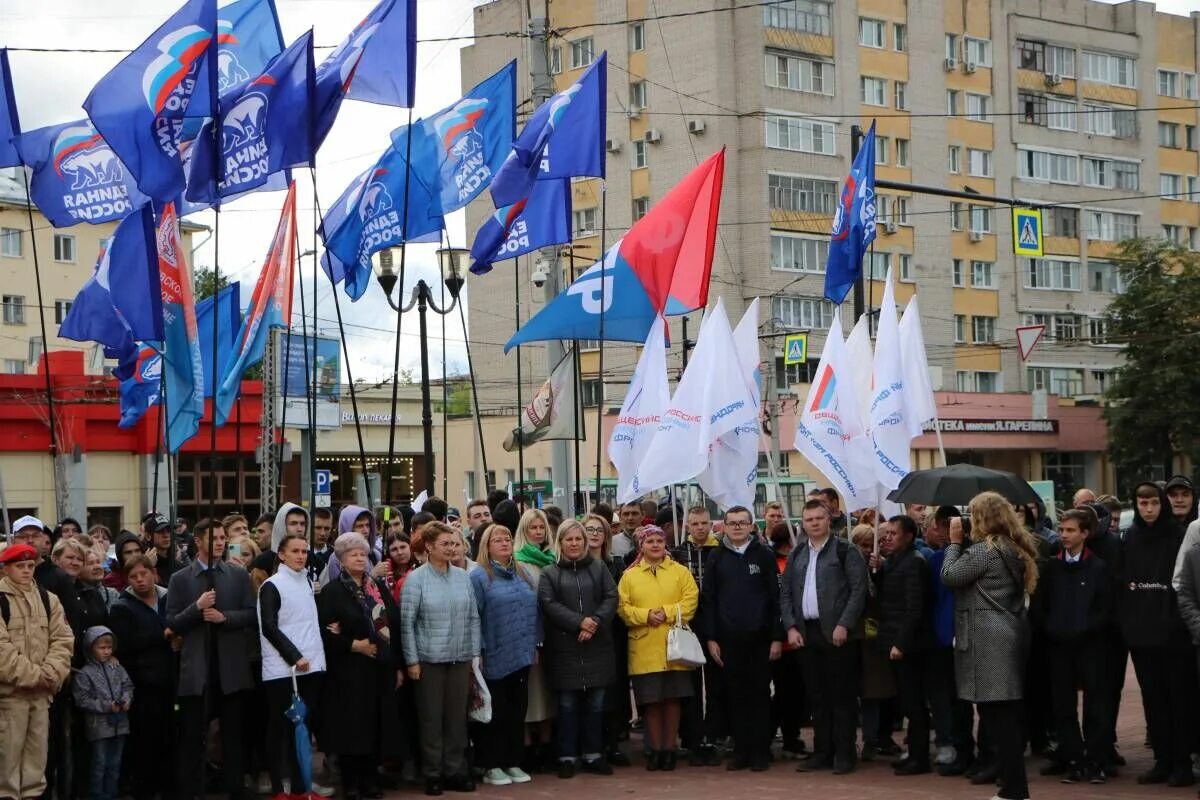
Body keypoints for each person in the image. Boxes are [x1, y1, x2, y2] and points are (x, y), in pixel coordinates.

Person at [941, 492, 1040, 800]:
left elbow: (950, 575)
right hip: (1007, 633)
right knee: (1003, 717)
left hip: (989, 639)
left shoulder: (987, 550)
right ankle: (1012, 786)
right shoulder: (1012, 546)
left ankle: (1013, 790)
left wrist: (954, 542)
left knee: (1000, 720)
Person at [166, 519, 257, 800]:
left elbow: (252, 615)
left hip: (230, 667)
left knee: (233, 735)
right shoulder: (181, 579)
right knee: (192, 736)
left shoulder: (238, 575)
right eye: (213, 538)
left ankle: (235, 788)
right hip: (197, 669)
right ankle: (191, 790)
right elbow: (171, 622)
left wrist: (224, 618)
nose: (219, 543)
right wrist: (197, 608)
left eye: (222, 538)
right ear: (198, 541)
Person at [781, 500, 868, 774]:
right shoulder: (797, 555)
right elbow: (785, 594)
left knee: (842, 696)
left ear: (829, 520)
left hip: (838, 633)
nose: (814, 523)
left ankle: (844, 753)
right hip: (807, 633)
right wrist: (791, 627)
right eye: (809, 519)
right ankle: (822, 751)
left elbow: (858, 591)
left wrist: (845, 624)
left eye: (819, 518)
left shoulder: (846, 550)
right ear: (803, 523)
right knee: (817, 697)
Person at [318, 531, 404, 799]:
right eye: (353, 554)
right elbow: (324, 632)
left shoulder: (376, 588)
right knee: (352, 729)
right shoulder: (333, 591)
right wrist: (355, 645)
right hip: (348, 672)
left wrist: (397, 665)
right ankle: (352, 782)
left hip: (379, 669)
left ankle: (371, 777)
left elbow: (395, 624)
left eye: (363, 554)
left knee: (376, 725)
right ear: (341, 560)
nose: (359, 558)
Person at [1120, 481, 1194, 786]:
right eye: (1142, 503)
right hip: (1142, 634)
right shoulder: (1131, 537)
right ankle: (1162, 761)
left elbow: (1182, 582)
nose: (1148, 509)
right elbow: (1125, 582)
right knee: (1153, 700)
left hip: (1174, 634)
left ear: (1161, 504)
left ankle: (1182, 763)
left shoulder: (1178, 535)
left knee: (1179, 699)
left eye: (1153, 503)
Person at [699, 506, 783, 771]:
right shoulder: (716, 557)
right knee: (734, 696)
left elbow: (775, 600)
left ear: (751, 525)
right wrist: (711, 637)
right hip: (727, 640)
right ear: (723, 526)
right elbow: (709, 600)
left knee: (759, 695)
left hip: (760, 639)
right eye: (732, 523)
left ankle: (760, 751)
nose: (737, 527)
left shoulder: (765, 556)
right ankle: (741, 750)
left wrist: (776, 637)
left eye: (742, 523)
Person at [400, 523, 481, 796]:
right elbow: (407, 623)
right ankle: (433, 772)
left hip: (460, 658)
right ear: (429, 547)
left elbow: (473, 617)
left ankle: (454, 770)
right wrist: (412, 660)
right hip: (429, 660)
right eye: (445, 544)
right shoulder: (416, 579)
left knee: (457, 719)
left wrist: (474, 653)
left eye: (454, 543)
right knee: (431, 719)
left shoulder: (462, 577)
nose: (451, 548)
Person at [1034, 509, 1114, 784]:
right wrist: (1052, 629)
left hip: (1090, 647)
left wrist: (1086, 629)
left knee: (1096, 706)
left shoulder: (1098, 567)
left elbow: (1104, 608)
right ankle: (1074, 759)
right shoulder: (1051, 567)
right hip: (1059, 648)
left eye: (1070, 530)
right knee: (1063, 707)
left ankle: (1096, 760)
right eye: (1062, 529)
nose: (1064, 535)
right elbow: (1042, 607)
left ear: (1084, 533)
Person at [540, 520, 619, 778]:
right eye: (569, 539)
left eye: (578, 539)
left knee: (596, 705)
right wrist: (578, 622)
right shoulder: (550, 573)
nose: (574, 544)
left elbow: (611, 596)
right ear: (560, 542)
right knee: (567, 705)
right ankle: (567, 755)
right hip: (565, 649)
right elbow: (549, 603)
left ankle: (594, 754)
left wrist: (594, 622)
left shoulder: (598, 568)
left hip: (597, 646)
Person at [617, 525, 699, 771]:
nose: (655, 545)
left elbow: (691, 600)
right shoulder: (629, 576)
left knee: (673, 699)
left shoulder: (680, 572)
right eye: (649, 541)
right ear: (641, 546)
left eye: (659, 541)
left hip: (675, 646)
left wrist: (667, 613)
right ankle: (654, 750)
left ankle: (669, 748)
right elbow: (622, 607)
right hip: (645, 647)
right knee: (651, 702)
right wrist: (644, 615)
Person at [0, 542, 74, 800]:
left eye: (30, 566)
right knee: (6, 769)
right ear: (6, 569)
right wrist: (36, 676)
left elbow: (63, 641)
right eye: (19, 566)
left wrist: (52, 673)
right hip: (9, 699)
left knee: (36, 768)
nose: (26, 571)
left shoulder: (48, 599)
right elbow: (2, 652)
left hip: (42, 697)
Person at [470, 524, 540, 786]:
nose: (503, 543)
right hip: (493, 653)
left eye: (507, 538)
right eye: (496, 540)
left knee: (516, 711)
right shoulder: (479, 577)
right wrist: (479, 651)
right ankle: (492, 764)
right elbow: (473, 616)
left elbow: (534, 611)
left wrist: (534, 644)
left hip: (521, 651)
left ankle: (513, 761)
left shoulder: (522, 572)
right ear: (486, 547)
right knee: (495, 712)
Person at [259, 531, 326, 799]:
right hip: (283, 671)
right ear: (282, 555)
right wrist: (294, 656)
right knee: (280, 729)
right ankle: (278, 788)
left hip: (310, 666)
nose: (301, 556)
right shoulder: (272, 586)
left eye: (304, 551)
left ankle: (301, 788)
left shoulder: (307, 583)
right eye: (295, 551)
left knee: (303, 729)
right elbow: (269, 627)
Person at [108, 554, 175, 800]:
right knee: (145, 742)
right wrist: (165, 635)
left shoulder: (169, 597)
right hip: (143, 684)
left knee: (170, 738)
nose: (140, 580)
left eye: (143, 574)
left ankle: (168, 787)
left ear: (153, 573)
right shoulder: (122, 607)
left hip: (171, 680)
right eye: (133, 577)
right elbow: (125, 644)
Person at [872, 515, 934, 775]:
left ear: (908, 536)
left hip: (909, 644)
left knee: (914, 702)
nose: (887, 537)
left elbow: (914, 608)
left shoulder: (914, 563)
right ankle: (914, 754)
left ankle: (919, 758)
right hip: (891, 637)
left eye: (893, 533)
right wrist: (878, 570)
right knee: (905, 701)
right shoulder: (894, 561)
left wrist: (901, 643)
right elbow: (886, 594)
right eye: (885, 533)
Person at [671, 505, 723, 765]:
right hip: (687, 623)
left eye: (704, 523)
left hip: (715, 623)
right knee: (689, 684)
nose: (700, 528)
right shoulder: (677, 553)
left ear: (711, 524)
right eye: (694, 523)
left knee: (716, 682)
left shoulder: (722, 550)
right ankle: (691, 738)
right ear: (687, 525)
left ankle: (713, 736)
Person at [584, 513, 632, 768]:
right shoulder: (573, 563)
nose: (594, 534)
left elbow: (620, 599)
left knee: (614, 691)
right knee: (590, 692)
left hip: (612, 634)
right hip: (582, 634)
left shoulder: (616, 565)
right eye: (589, 529)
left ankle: (612, 743)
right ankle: (591, 744)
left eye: (599, 530)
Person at [513, 509, 557, 769]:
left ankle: (548, 745)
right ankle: (529, 746)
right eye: (533, 528)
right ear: (524, 530)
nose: (538, 532)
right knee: (530, 693)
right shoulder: (518, 561)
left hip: (554, 635)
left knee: (549, 692)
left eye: (542, 528)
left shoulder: (552, 558)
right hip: (530, 636)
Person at [72, 625, 134, 800]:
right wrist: (107, 706)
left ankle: (112, 792)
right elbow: (82, 699)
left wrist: (127, 700)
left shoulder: (117, 667)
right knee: (99, 763)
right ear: (91, 648)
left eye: (109, 647)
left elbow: (128, 685)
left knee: (115, 762)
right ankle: (97, 794)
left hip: (120, 723)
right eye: (102, 648)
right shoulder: (84, 673)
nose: (106, 652)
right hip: (98, 727)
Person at [767, 522, 806, 760]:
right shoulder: (772, 562)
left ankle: (793, 737)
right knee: (781, 693)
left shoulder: (800, 559)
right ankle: (770, 733)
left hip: (799, 640)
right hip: (778, 639)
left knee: (796, 693)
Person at [378, 533, 419, 603]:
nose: (399, 552)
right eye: (394, 549)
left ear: (410, 547)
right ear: (389, 553)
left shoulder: (421, 568)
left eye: (403, 547)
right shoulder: (384, 575)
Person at [308, 508, 335, 581]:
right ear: (309, 526)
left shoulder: (335, 556)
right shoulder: (301, 554)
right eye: (318, 528)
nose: (322, 533)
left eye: (327, 528)